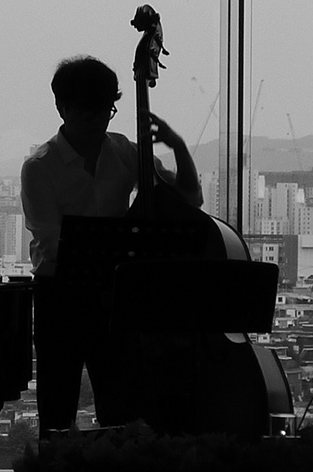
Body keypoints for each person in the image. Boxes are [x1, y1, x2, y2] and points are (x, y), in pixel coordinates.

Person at [20, 54, 201, 436]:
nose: (98, 122)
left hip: (114, 295)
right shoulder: (39, 167)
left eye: (106, 111)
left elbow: (188, 199)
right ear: (62, 108)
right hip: (61, 296)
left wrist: (178, 145)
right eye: (88, 113)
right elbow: (50, 242)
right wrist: (122, 243)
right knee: (57, 413)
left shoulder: (123, 151)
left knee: (121, 412)